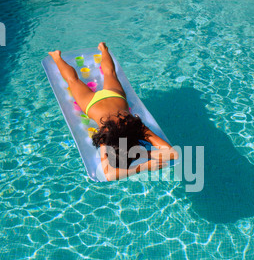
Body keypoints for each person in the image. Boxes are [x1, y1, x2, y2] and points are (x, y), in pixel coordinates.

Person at [49, 42, 178, 181]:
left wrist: (145, 161)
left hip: (114, 95)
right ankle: (58, 57)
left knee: (108, 74)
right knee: (73, 80)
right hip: (91, 104)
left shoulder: (135, 126)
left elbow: (173, 153)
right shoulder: (105, 135)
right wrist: (142, 162)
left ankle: (102, 50)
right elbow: (108, 174)